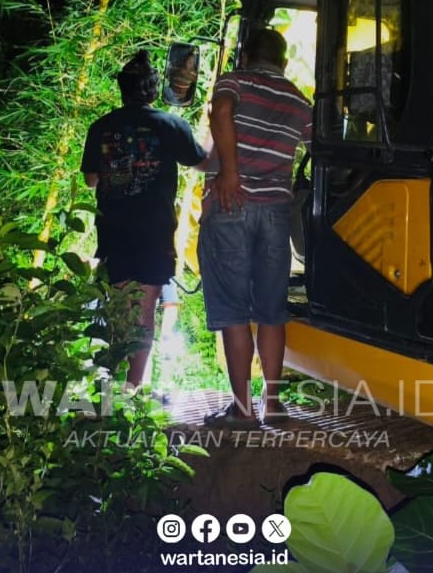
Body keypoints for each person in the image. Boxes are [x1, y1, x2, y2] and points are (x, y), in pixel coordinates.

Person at [197, 27, 312, 425]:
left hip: (233, 204)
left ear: (245, 57)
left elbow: (222, 112)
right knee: (271, 310)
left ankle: (243, 410)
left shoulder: (234, 81)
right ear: (281, 62)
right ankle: (274, 404)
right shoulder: (298, 99)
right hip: (276, 212)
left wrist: (229, 173)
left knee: (232, 310)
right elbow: (320, 145)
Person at [80, 51, 208, 391]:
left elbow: (91, 179)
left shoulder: (101, 127)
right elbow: (201, 163)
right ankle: (133, 386)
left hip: (114, 229)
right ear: (154, 90)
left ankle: (109, 380)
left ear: (123, 91)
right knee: (144, 309)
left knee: (118, 305)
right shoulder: (171, 125)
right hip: (154, 230)